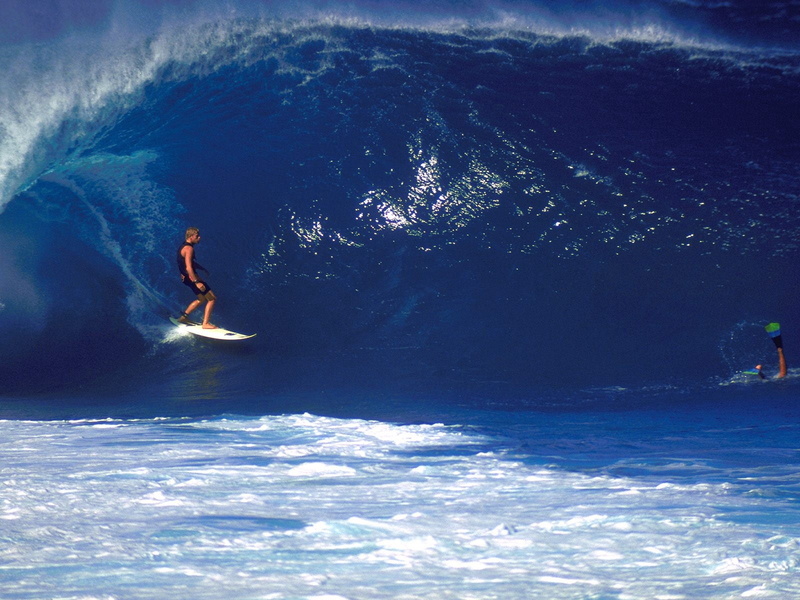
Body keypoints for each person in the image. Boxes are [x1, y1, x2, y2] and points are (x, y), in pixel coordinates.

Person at [177, 227, 217, 329]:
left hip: (186, 278)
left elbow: (184, 262)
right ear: (191, 237)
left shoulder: (183, 246)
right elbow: (189, 267)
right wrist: (197, 282)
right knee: (212, 299)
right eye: (197, 236)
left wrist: (201, 268)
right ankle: (205, 324)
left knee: (201, 298)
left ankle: (183, 317)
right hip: (191, 278)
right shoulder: (189, 248)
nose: (199, 238)